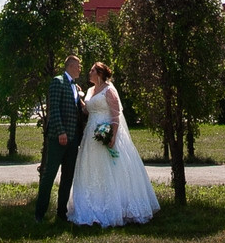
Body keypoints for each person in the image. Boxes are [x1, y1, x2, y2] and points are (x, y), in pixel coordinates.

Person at [66, 60, 159, 226]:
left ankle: (117, 207)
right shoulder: (89, 90)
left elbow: (115, 115)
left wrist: (113, 136)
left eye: (92, 71)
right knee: (92, 168)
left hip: (106, 130)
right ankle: (93, 205)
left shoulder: (109, 90)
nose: (89, 73)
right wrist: (79, 98)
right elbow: (87, 110)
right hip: (91, 134)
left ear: (100, 74)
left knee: (111, 169)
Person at [34, 54, 86, 221]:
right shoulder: (58, 81)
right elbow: (54, 109)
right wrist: (61, 131)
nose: (80, 69)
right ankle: (40, 214)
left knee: (67, 176)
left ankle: (61, 213)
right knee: (50, 175)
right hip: (58, 138)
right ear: (71, 66)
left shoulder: (75, 87)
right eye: (78, 66)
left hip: (73, 140)